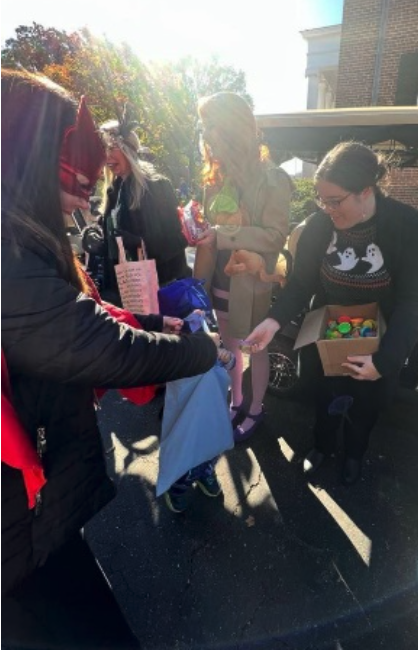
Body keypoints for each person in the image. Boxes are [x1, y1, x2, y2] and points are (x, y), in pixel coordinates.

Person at [1, 69, 219, 649]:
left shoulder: (19, 237)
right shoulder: (9, 248)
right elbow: (94, 344)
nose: (81, 205)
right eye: (75, 185)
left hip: (32, 497)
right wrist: (202, 349)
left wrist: (153, 322)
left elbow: (71, 319)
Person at [244, 141, 418, 485]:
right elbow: (301, 284)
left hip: (381, 339)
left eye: (335, 201)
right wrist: (272, 322)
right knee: (325, 395)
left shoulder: (409, 226)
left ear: (365, 191)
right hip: (327, 332)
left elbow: (414, 303)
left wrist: (386, 360)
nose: (328, 210)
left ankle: (354, 454)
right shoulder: (320, 226)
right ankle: (321, 447)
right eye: (322, 200)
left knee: (365, 405)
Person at [194, 92, 292, 443]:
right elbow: (210, 236)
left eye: (212, 126)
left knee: (255, 347)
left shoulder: (274, 179)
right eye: (204, 126)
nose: (206, 135)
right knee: (229, 345)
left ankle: (255, 410)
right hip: (218, 281)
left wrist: (221, 234)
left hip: (252, 284)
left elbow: (275, 237)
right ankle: (236, 402)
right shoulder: (215, 179)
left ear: (234, 129)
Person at [82, 109, 190, 303]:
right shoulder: (113, 191)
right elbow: (112, 239)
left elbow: (177, 241)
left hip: (159, 292)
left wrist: (140, 243)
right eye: (103, 150)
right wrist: (97, 237)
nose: (106, 157)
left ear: (128, 149)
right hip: (125, 292)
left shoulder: (156, 187)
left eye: (111, 148)